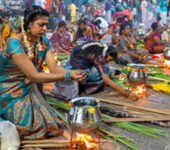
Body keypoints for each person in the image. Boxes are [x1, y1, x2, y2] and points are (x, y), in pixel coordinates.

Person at [0, 6, 87, 139]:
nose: (45, 29)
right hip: (8, 91)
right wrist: (68, 75)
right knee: (30, 128)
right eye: (41, 25)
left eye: (46, 25)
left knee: (52, 124)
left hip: (29, 88)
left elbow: (53, 68)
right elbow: (34, 75)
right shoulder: (14, 44)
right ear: (29, 23)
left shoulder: (44, 42)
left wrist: (73, 72)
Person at [68, 41, 138, 100]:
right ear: (107, 54)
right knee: (99, 76)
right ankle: (84, 87)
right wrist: (126, 93)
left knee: (106, 67)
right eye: (110, 59)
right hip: (77, 64)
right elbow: (106, 79)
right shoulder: (100, 57)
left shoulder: (102, 49)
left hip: (83, 61)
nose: (109, 61)